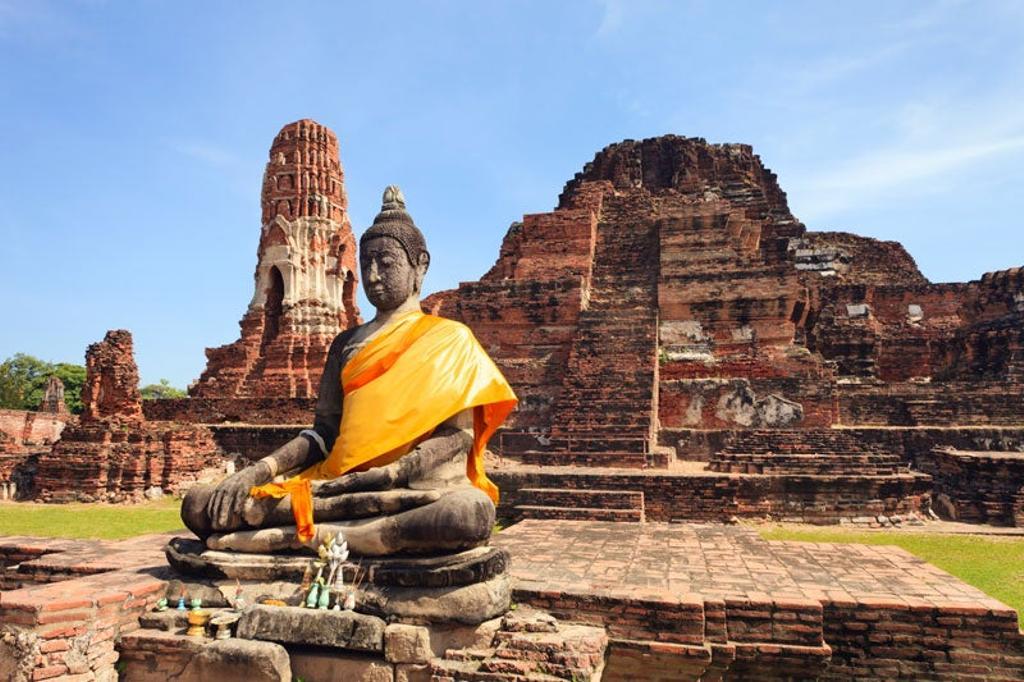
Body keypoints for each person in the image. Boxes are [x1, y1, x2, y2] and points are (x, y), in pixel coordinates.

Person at [181, 186, 517, 556]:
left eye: (386, 263)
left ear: (420, 265)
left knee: (466, 515)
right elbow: (324, 433)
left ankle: (293, 538)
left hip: (406, 489)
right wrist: (257, 471)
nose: (373, 276)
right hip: (337, 487)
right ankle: (337, 536)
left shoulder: (451, 339)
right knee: (200, 504)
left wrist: (393, 473)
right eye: (366, 263)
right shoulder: (346, 343)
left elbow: (458, 436)